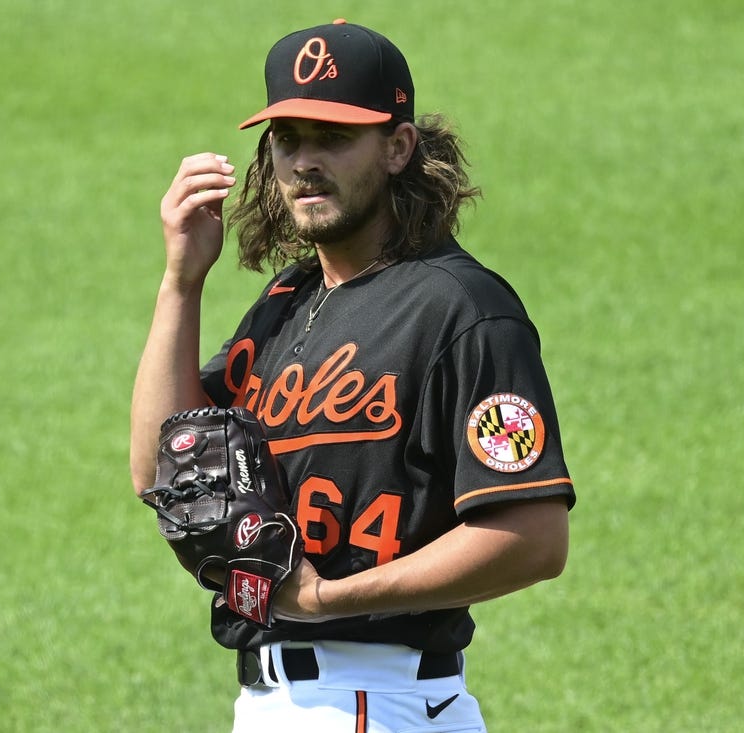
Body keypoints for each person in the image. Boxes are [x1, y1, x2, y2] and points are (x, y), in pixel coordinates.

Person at [130, 18, 575, 732]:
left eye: (334, 138)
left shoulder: (462, 309)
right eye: (288, 139)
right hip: (278, 703)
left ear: (398, 147)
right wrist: (180, 283)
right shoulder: (289, 301)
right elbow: (166, 466)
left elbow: (534, 534)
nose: (305, 161)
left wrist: (326, 598)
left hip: (375, 701)